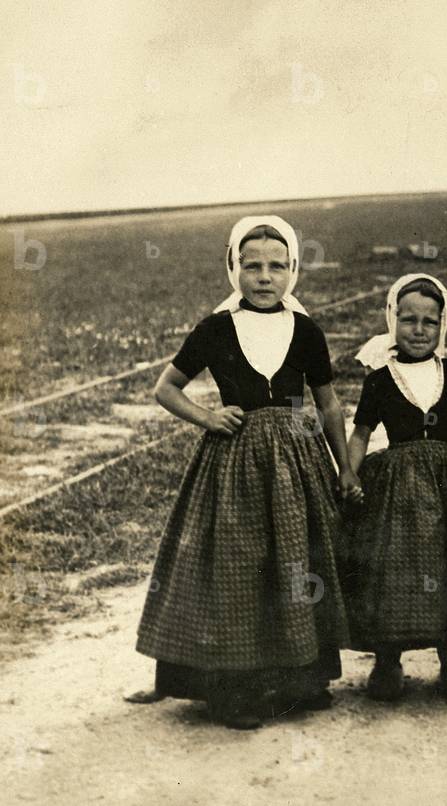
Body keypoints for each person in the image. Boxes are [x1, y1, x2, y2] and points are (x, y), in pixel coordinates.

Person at [128, 216, 360, 729]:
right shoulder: (216, 328)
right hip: (235, 466)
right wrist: (209, 417)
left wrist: (344, 467)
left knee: (299, 562)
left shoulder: (305, 329)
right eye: (252, 266)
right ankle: (234, 688)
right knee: (238, 565)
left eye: (277, 266)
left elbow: (328, 404)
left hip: (298, 461)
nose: (264, 277)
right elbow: (166, 388)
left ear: (293, 269)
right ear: (233, 267)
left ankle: (302, 677)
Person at [344, 273, 447, 704]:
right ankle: (388, 660)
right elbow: (361, 433)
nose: (419, 330)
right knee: (394, 569)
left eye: (430, 321)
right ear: (393, 321)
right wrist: (349, 474)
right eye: (408, 320)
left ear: (443, 325)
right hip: (397, 487)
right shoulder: (379, 379)